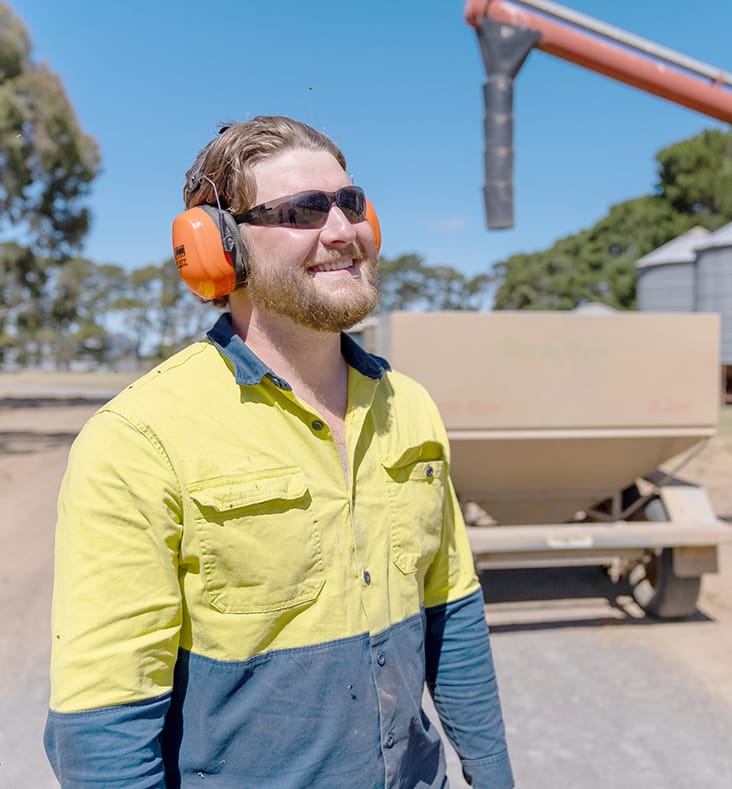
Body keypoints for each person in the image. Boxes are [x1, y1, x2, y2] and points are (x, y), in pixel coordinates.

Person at [44, 115, 513, 788]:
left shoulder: (409, 407)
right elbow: (102, 719)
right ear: (219, 247)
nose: (342, 231)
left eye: (350, 203)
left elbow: (451, 611)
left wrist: (494, 774)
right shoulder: (139, 438)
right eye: (300, 210)